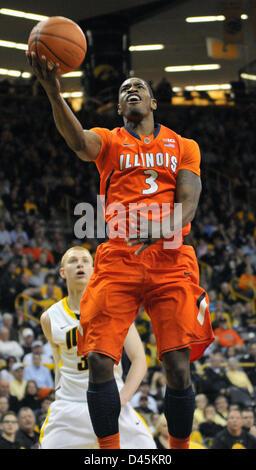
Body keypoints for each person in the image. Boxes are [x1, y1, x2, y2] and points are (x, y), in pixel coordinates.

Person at [27, 53, 215, 450]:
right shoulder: (110, 140)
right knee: (98, 358)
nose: (132, 91)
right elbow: (77, 141)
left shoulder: (184, 146)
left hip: (171, 257)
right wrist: (52, 89)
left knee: (179, 368)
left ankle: (178, 449)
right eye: (125, 90)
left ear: (152, 103)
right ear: (118, 107)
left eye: (140, 89)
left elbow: (189, 203)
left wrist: (159, 228)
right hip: (118, 257)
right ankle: (109, 454)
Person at [39, 246, 156, 449]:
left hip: (111, 398)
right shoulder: (49, 317)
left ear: (94, 270)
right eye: (73, 261)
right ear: (62, 272)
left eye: (85, 260)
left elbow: (139, 359)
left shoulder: (114, 308)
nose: (80, 264)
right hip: (69, 406)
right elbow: (60, 363)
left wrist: (122, 398)